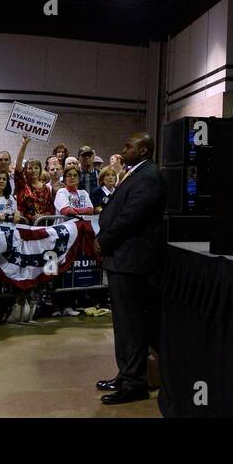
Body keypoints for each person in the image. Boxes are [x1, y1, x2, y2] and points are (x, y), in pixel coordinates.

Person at [94, 133, 166, 404]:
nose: (124, 148)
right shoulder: (135, 173)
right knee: (123, 325)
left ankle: (134, 383)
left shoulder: (148, 176)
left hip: (131, 260)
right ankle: (126, 375)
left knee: (131, 326)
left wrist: (104, 240)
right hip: (122, 259)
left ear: (144, 149)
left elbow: (131, 217)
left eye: (129, 145)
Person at [12, 137, 53, 222]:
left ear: (40, 169)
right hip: (24, 224)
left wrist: (41, 216)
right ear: (25, 170)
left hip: (41, 225)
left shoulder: (46, 189)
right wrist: (24, 144)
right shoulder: (22, 185)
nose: (33, 171)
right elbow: (18, 165)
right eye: (30, 168)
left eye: (36, 168)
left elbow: (50, 210)